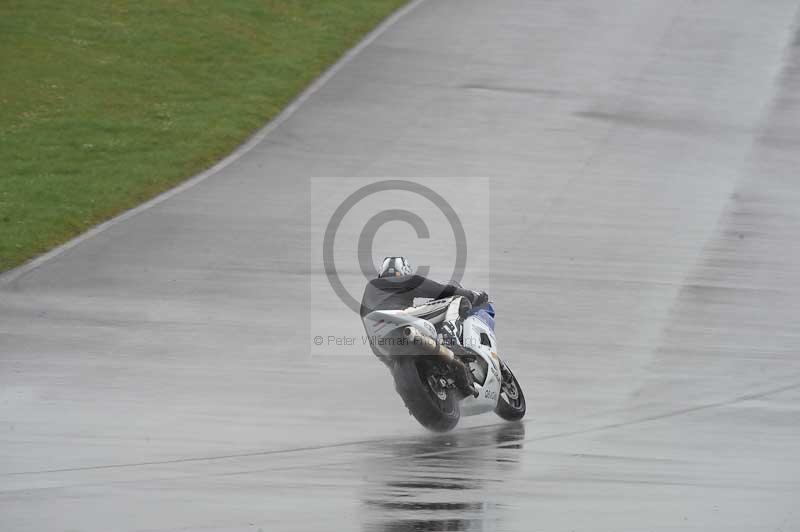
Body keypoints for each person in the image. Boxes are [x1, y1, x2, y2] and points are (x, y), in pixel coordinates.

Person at [360, 256, 488, 397]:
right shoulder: (406, 280)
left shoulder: (369, 289)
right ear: (404, 271)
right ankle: (450, 338)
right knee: (458, 300)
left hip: (382, 338)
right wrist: (475, 296)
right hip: (401, 317)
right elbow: (441, 291)